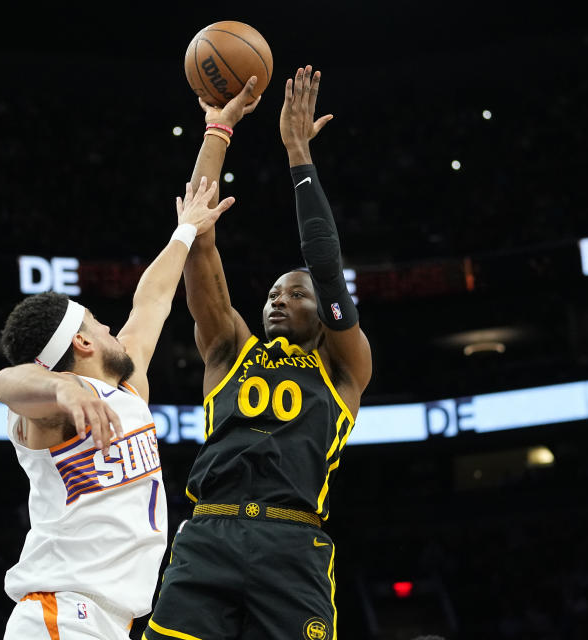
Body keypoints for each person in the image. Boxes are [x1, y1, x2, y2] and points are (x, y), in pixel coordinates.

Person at [144, 66, 372, 640]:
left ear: (323, 311)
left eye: (295, 294)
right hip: (209, 532)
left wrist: (298, 153)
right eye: (272, 293)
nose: (277, 300)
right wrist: (217, 131)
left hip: (291, 541)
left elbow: (324, 262)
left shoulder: (344, 364)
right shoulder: (230, 348)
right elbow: (199, 244)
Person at [0, 177, 235, 640]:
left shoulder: (127, 388)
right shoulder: (51, 413)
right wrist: (63, 390)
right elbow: (4, 382)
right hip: (62, 615)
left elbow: (154, 300)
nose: (109, 326)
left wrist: (185, 230)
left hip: (106, 620)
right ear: (82, 341)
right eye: (97, 322)